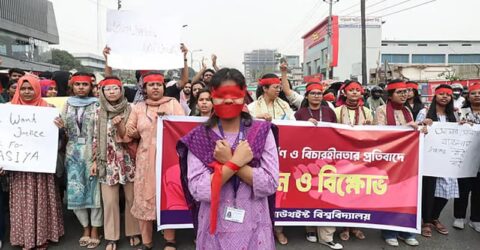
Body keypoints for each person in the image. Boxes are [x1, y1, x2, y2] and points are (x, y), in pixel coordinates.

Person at [177, 68, 278, 250]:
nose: (229, 100)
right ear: (212, 96)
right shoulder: (200, 137)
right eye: (222, 95)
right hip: (214, 230)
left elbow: (270, 183)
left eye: (235, 94)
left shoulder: (261, 132)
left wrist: (230, 162)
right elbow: (198, 190)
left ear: (244, 94)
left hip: (255, 227)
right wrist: (234, 162)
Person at [1, 75, 64, 250]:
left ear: (37, 89)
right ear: (18, 89)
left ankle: (43, 236)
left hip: (42, 167)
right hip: (19, 167)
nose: (27, 92)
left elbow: (58, 142)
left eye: (30, 88)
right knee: (23, 202)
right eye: (23, 88)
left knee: (43, 199)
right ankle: (25, 238)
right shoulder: (8, 110)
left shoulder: (49, 109)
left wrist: (60, 129)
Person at [124, 71, 185, 250]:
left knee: (169, 195)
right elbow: (130, 130)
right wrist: (131, 131)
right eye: (151, 85)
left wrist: (169, 120)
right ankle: (147, 241)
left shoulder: (173, 104)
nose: (155, 88)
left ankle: (170, 240)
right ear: (145, 88)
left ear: (163, 87)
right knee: (144, 198)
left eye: (158, 85)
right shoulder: (138, 107)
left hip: (169, 158)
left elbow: (183, 128)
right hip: (145, 161)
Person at [54, 72, 103, 248]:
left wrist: (98, 157)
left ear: (91, 87)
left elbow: (100, 131)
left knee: (94, 190)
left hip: (92, 152)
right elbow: (64, 128)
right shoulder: (67, 104)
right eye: (77, 84)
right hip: (73, 153)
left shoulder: (97, 104)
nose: (81, 87)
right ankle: (85, 227)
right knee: (76, 191)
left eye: (85, 84)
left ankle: (96, 229)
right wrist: (60, 127)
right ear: (72, 86)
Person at [92, 77, 141, 250]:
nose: (112, 91)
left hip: (129, 159)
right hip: (107, 161)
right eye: (108, 89)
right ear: (102, 92)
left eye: (115, 88)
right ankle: (111, 237)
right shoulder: (97, 111)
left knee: (131, 198)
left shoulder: (132, 108)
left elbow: (136, 134)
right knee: (110, 201)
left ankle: (134, 232)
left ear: (121, 90)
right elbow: (94, 138)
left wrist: (125, 128)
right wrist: (94, 161)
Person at [294, 82, 341, 249]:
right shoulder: (299, 113)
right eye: (313, 93)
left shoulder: (329, 112)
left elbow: (337, 132)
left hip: (328, 160)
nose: (316, 96)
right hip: (306, 160)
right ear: (306, 96)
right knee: (309, 194)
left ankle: (327, 235)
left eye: (319, 93)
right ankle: (310, 229)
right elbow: (294, 136)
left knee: (328, 196)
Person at [374, 79, 420, 247]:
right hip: (388, 160)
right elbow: (380, 134)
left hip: (407, 160)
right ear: (390, 95)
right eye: (399, 92)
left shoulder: (408, 110)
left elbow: (412, 135)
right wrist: (406, 128)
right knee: (391, 196)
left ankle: (406, 231)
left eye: (406, 91)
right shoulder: (381, 110)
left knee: (407, 195)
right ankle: (389, 231)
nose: (404, 95)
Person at [416, 84, 458, 238]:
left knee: (446, 190)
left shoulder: (453, 116)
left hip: (447, 160)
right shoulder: (424, 112)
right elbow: (416, 132)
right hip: (429, 158)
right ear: (435, 96)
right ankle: (426, 221)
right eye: (441, 93)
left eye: (448, 94)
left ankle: (435, 217)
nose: (445, 96)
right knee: (429, 189)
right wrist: (423, 128)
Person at [103, 44, 190, 102]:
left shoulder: (165, 93)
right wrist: (108, 60)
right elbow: (110, 82)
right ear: (140, 82)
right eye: (149, 83)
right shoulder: (131, 94)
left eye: (157, 83)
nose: (155, 87)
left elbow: (183, 81)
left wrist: (183, 58)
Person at [456, 83, 480, 232]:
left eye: (479, 93)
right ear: (468, 97)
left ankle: (476, 219)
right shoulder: (462, 111)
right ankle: (459, 217)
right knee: (463, 188)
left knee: (479, 190)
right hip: (464, 157)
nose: (477, 95)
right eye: (474, 93)